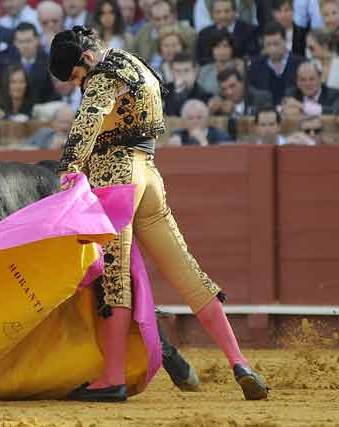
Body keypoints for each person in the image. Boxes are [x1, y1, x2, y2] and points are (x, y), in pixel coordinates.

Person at [48, 26, 268, 402]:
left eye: (76, 78)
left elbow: (89, 120)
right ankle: (240, 361)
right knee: (187, 270)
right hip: (149, 173)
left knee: (115, 279)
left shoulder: (102, 75)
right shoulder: (136, 64)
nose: (78, 85)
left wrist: (68, 167)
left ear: (85, 60)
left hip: (116, 176)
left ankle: (112, 378)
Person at [168, 99, 233, 146]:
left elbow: (224, 160)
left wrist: (204, 143)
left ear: (207, 119)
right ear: (184, 121)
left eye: (199, 117)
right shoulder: (179, 135)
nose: (195, 121)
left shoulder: (221, 136)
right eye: (190, 118)